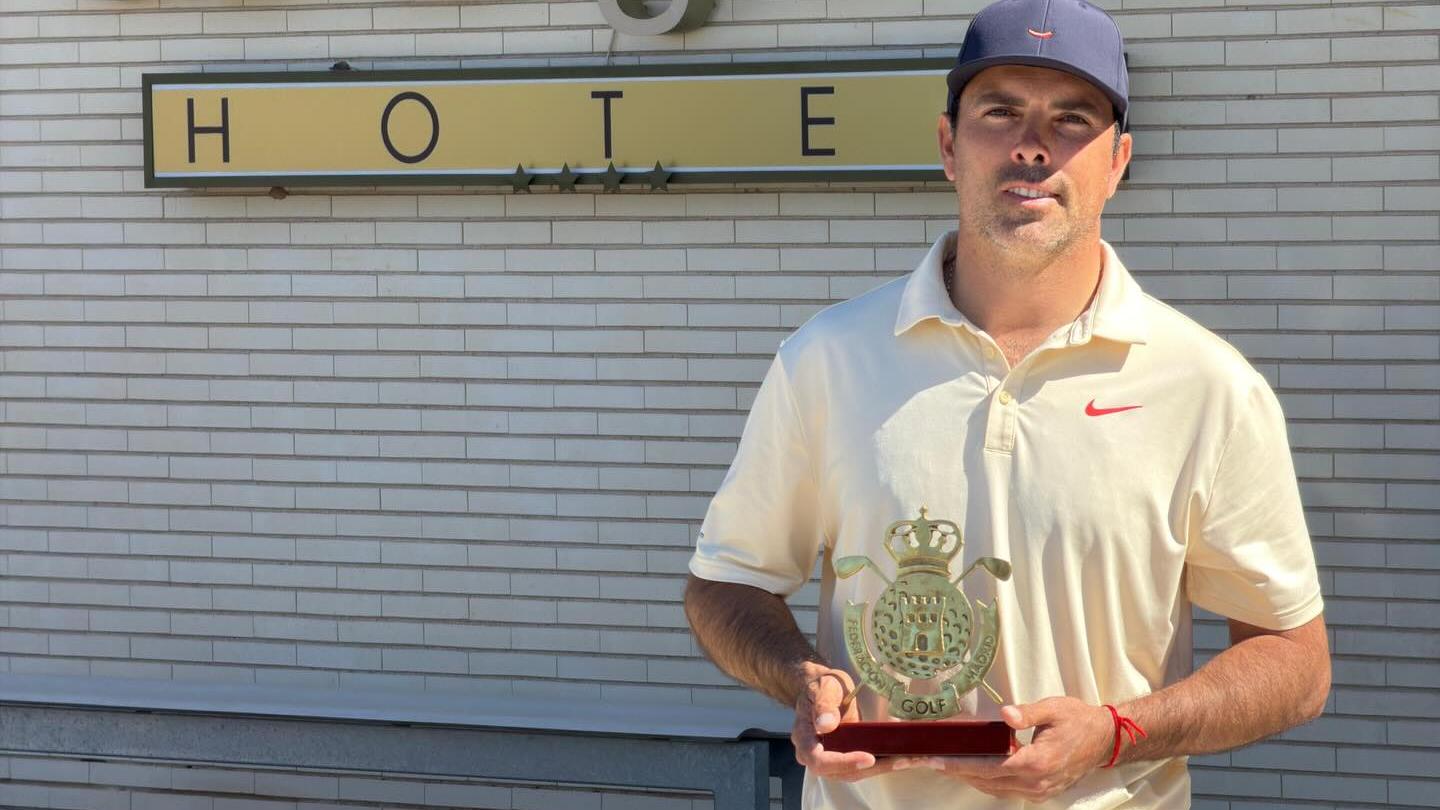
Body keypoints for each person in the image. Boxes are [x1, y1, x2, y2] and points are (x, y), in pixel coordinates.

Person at [683, 0, 1331, 806]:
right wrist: (799, 680)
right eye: (1001, 112)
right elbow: (724, 584)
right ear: (949, 145)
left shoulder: (1208, 386)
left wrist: (1118, 732)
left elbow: (1295, 661)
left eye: (1072, 119)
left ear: (1119, 161)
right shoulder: (828, 359)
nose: (1032, 144)